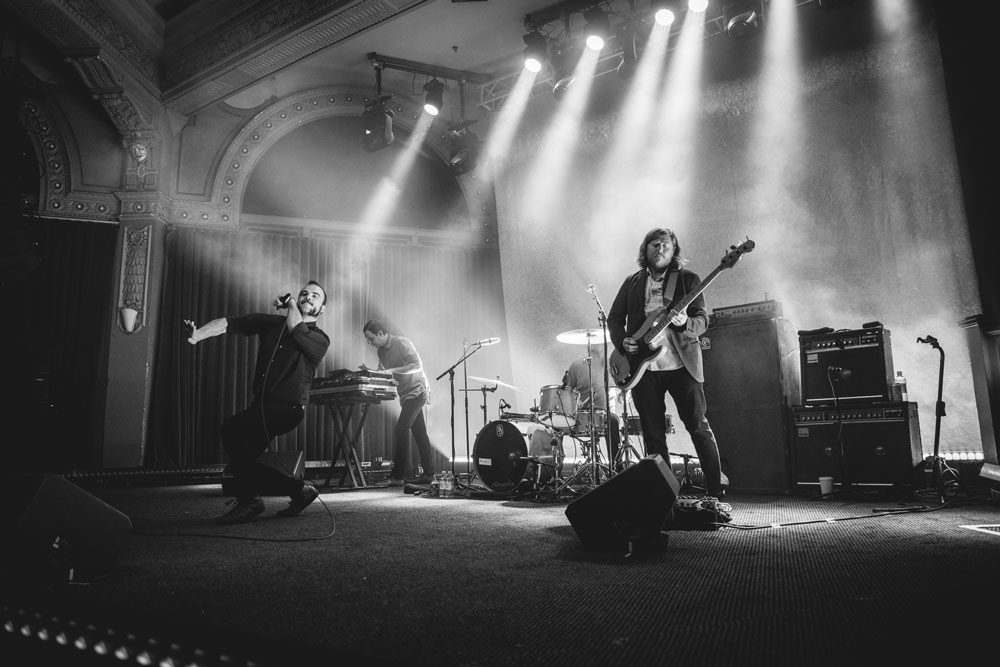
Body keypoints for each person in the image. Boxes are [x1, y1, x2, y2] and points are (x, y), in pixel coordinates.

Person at [184, 281, 330, 524]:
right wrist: (199, 335)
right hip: (261, 406)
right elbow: (232, 323)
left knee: (230, 429)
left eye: (315, 296)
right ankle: (300, 491)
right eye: (304, 293)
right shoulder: (272, 323)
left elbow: (295, 327)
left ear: (322, 309)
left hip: (287, 408)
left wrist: (292, 301)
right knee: (243, 462)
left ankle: (251, 501)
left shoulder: (319, 339)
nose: (308, 297)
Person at [607, 228, 726, 498]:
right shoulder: (632, 282)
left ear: (674, 252)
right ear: (645, 249)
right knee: (653, 433)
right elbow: (614, 318)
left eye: (665, 245)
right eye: (654, 244)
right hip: (643, 368)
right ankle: (663, 496)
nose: (659, 249)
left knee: (697, 426)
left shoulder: (687, 279)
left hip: (682, 364)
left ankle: (716, 492)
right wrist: (622, 341)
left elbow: (702, 322)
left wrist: (685, 323)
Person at [361, 319, 436, 487]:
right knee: (420, 434)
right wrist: (372, 372)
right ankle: (429, 474)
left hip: (417, 391)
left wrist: (391, 371)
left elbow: (417, 365)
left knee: (401, 429)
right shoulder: (381, 351)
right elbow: (384, 372)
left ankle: (397, 476)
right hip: (405, 395)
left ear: (381, 333)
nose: (369, 343)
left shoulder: (402, 342)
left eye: (371, 338)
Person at [563, 346, 622, 471]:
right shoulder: (576, 365)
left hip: (605, 414)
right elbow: (567, 392)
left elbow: (623, 393)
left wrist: (624, 395)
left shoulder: (613, 365)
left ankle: (617, 468)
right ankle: (556, 472)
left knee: (613, 421)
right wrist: (574, 402)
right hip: (582, 414)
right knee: (557, 423)